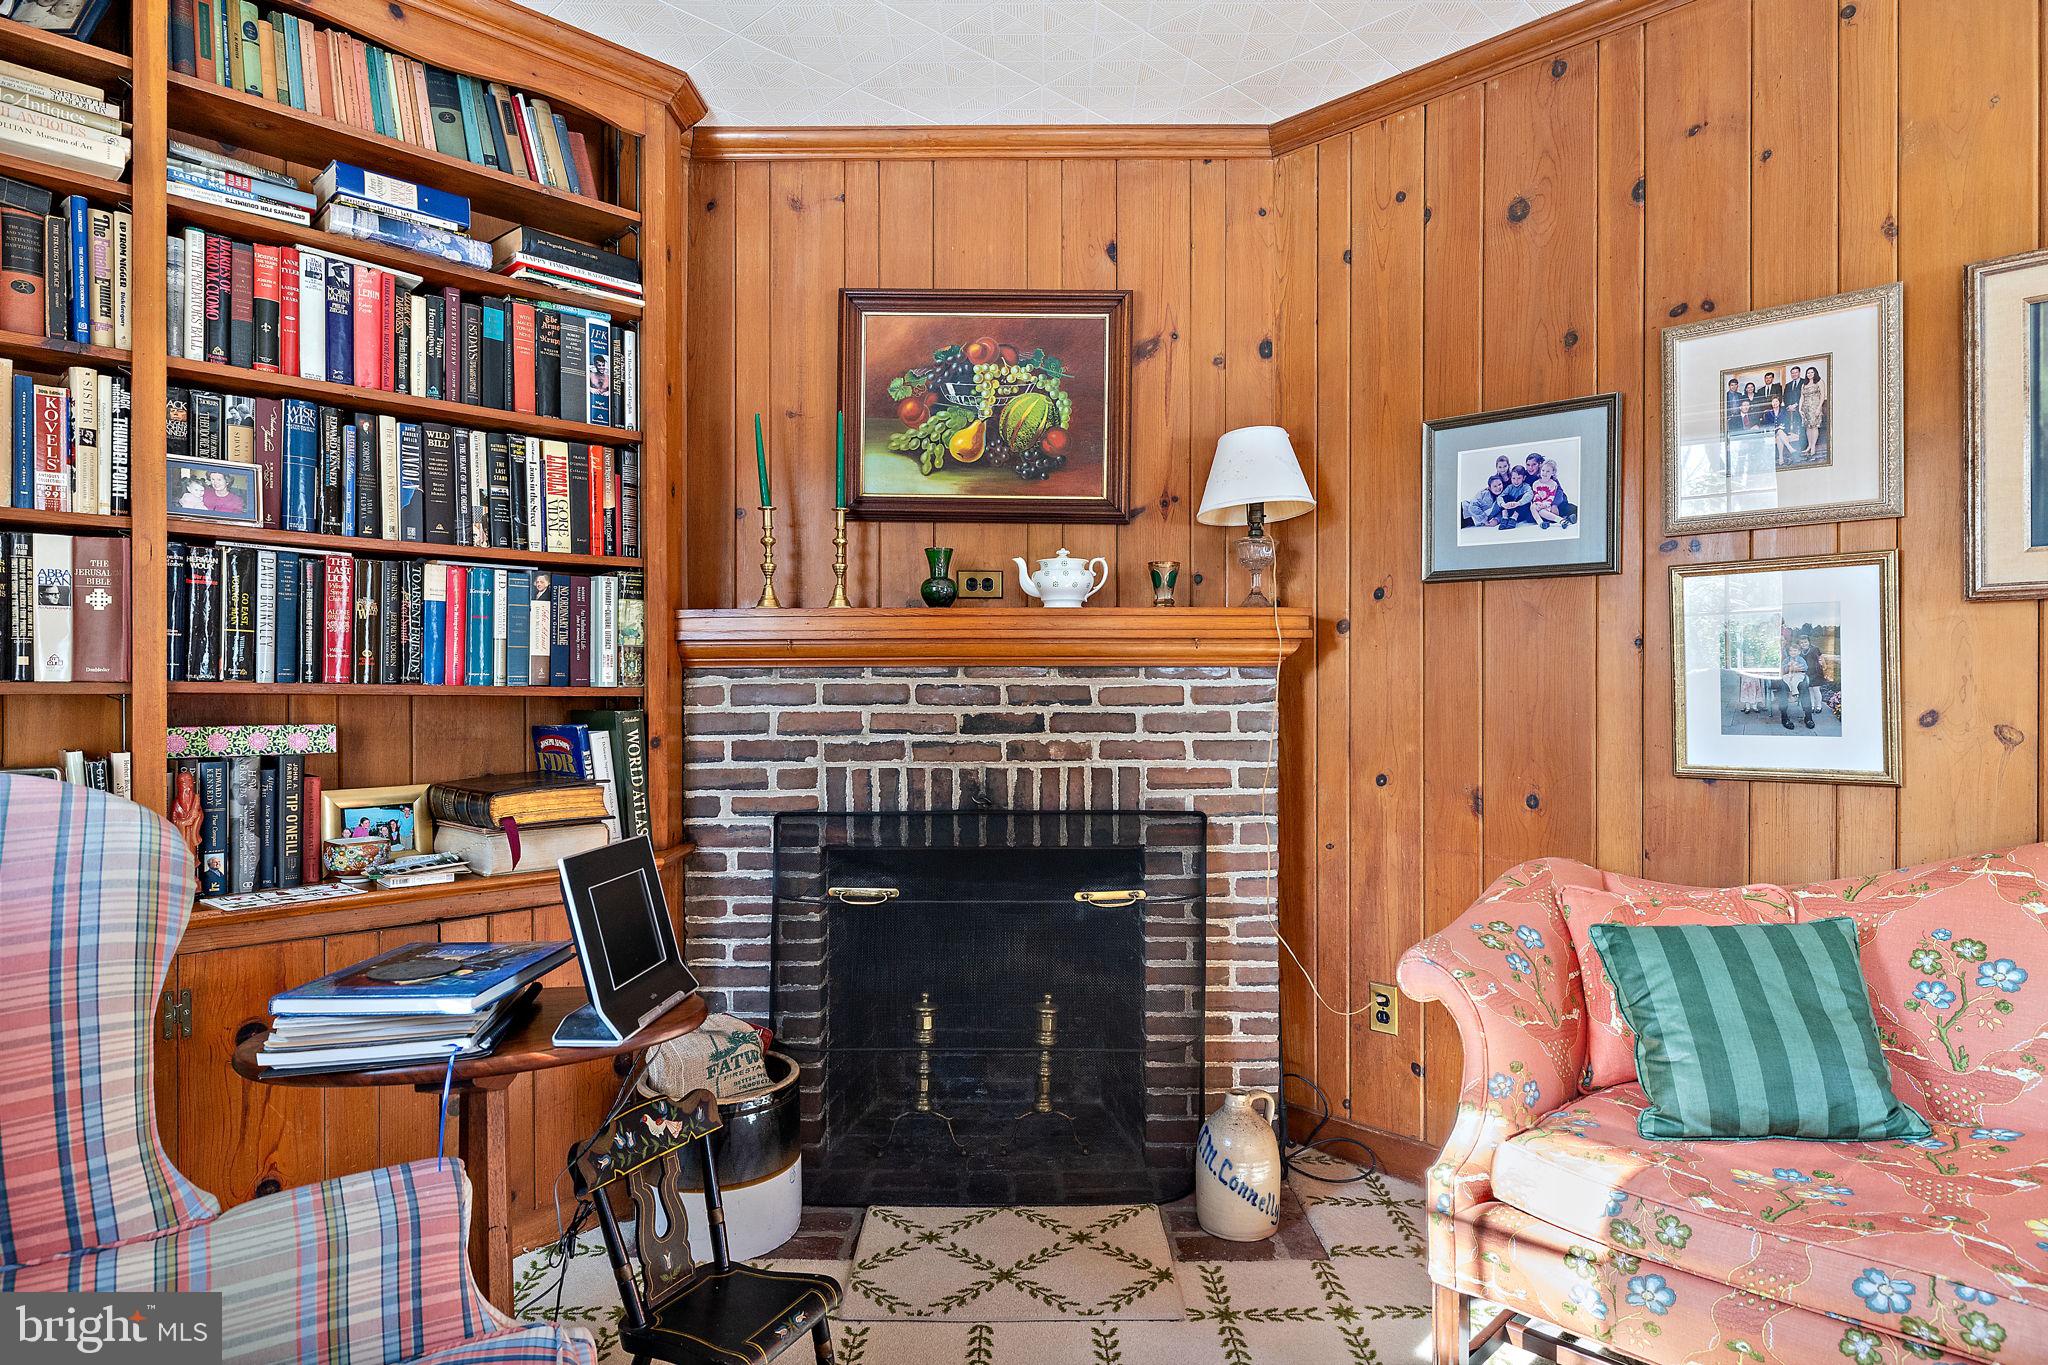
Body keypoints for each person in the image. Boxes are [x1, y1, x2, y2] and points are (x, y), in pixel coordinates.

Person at [1781, 631, 1825, 730]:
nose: (1792, 652)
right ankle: (1784, 716)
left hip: (1797, 676)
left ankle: (1808, 716)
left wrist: (1798, 668)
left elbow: (1805, 666)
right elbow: (1782, 668)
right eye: (1791, 651)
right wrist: (1787, 668)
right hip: (1784, 675)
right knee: (1783, 685)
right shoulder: (1776, 652)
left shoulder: (1799, 655)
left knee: (1804, 684)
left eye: (1783, 640)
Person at [1799, 365, 1826, 460]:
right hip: (1805, 408)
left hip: (1815, 407)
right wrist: (1800, 409)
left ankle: (1813, 446)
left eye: (1811, 372)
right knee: (1808, 427)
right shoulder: (1804, 384)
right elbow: (1802, 397)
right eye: (1808, 373)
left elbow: (1823, 395)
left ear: (1815, 373)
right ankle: (1809, 446)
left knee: (1814, 426)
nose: (1809, 374)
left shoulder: (1819, 382)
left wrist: (1819, 408)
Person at [1530, 461, 1567, 529]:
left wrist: (1545, 505)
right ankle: (1540, 522)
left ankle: (1561, 520)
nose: (1544, 473)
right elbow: (1536, 495)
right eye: (1543, 470)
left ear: (1552, 473)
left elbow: (1551, 496)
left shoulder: (1553, 484)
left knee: (1541, 512)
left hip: (1547, 504)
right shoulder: (1535, 483)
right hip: (1538, 503)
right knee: (1532, 507)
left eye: (1548, 471)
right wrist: (1538, 503)